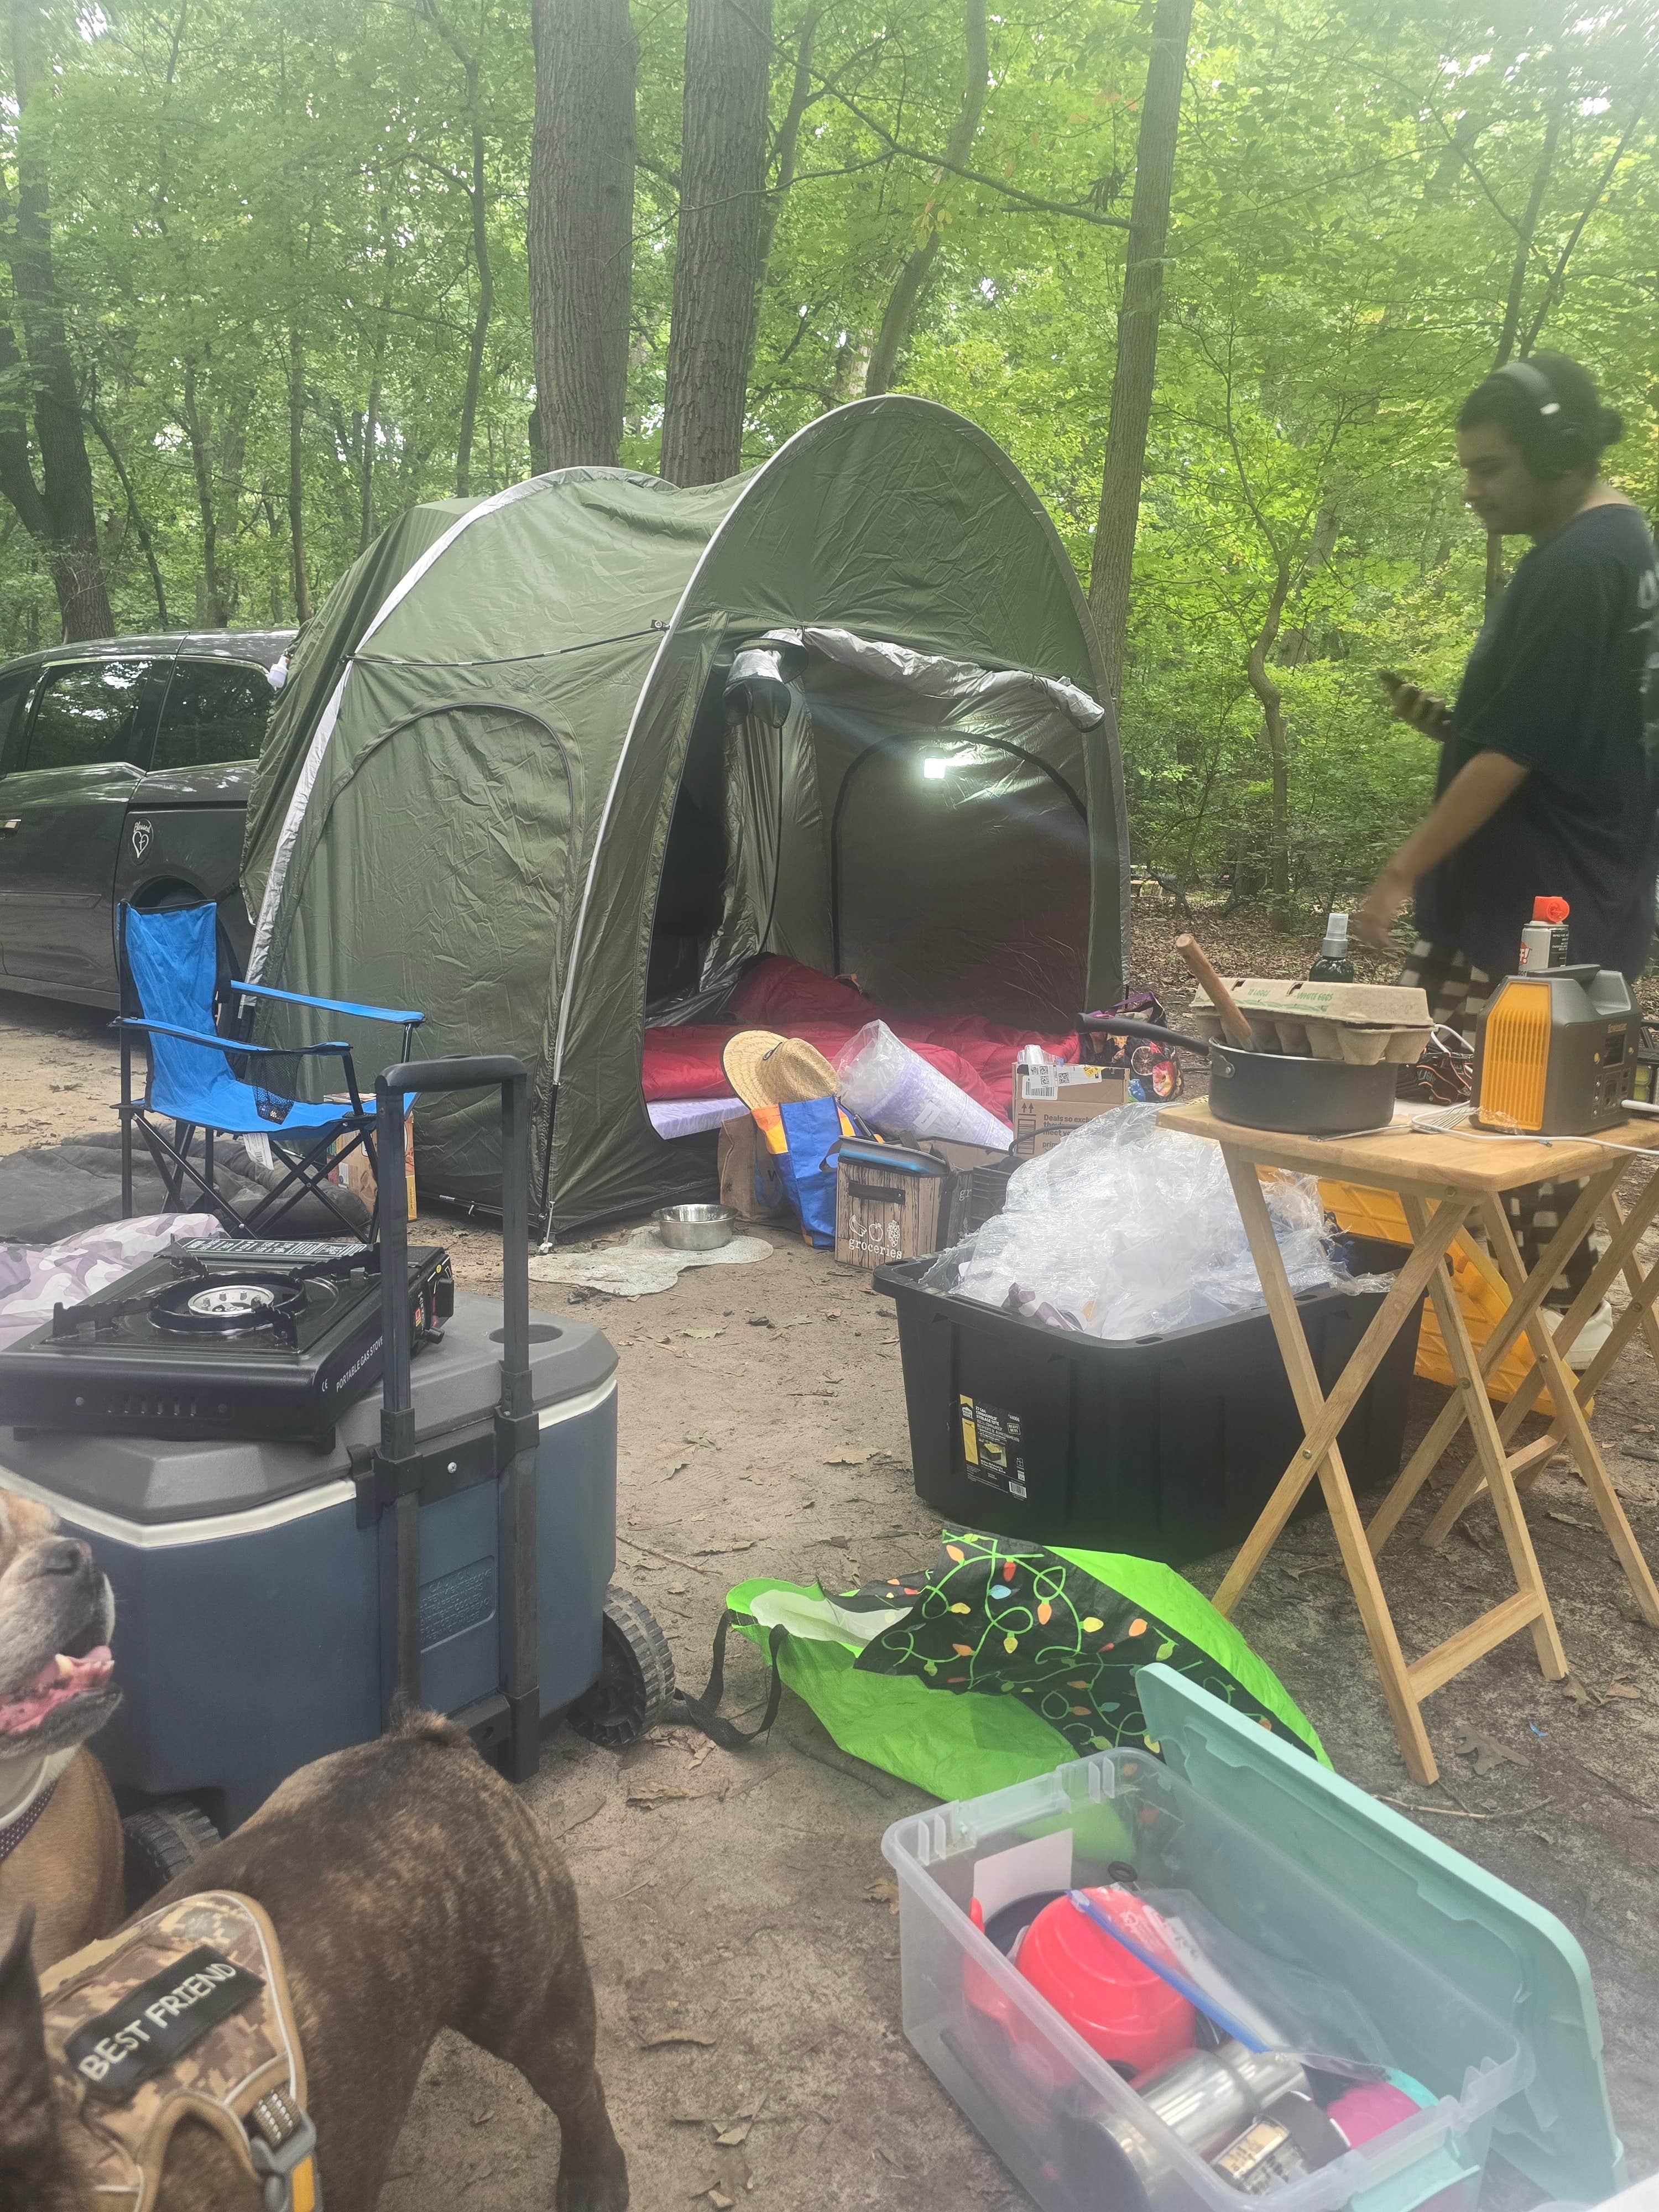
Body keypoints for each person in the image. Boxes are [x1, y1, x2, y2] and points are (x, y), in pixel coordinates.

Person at [1356, 353, 1659, 1348]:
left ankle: (1471, 1342)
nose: (1474, 491)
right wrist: (1448, 726)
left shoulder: (1579, 565)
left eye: (1490, 469)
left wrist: (1401, 870)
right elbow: (1573, 736)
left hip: (1526, 923)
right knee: (1547, 1126)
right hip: (1585, 905)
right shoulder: (1624, 552)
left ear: (1560, 452)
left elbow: (1518, 753)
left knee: (1456, 1133)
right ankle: (1523, 1331)